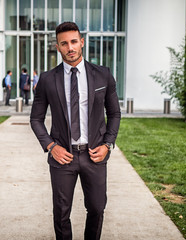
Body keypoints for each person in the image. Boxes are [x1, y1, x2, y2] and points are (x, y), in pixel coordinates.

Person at [30, 22, 121, 240]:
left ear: (81, 42)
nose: (70, 47)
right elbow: (36, 119)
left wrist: (107, 145)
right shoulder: (47, 79)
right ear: (58, 47)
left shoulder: (103, 75)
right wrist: (52, 147)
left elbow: (115, 114)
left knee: (97, 209)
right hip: (63, 157)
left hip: (94, 156)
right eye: (64, 44)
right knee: (61, 213)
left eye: (73, 42)